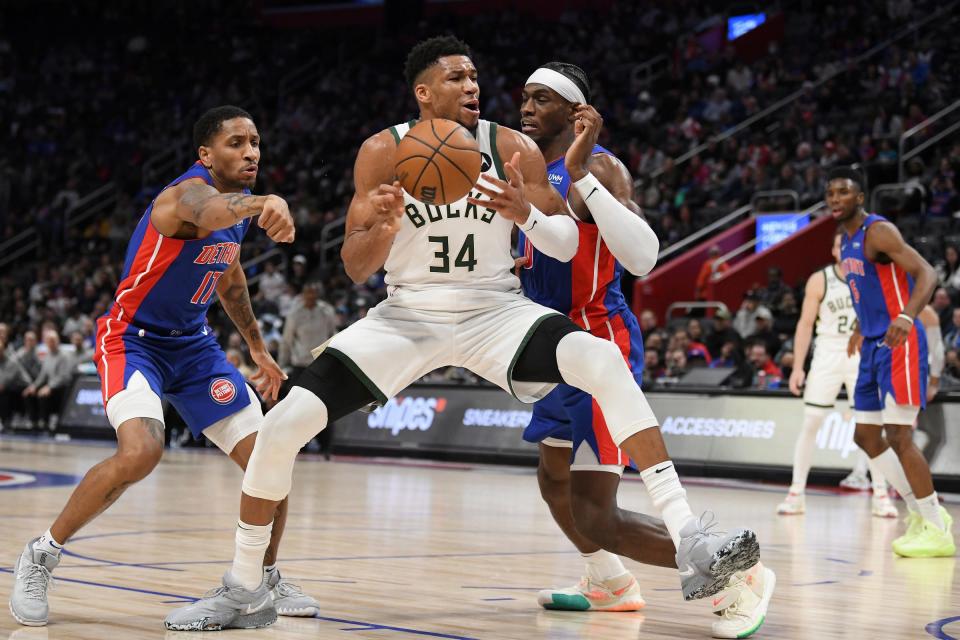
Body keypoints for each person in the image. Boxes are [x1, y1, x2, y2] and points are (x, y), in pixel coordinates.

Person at [165, 38, 764, 633]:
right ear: (423, 92)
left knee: (601, 359)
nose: (472, 86)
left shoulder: (511, 147)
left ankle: (691, 536)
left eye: (474, 76)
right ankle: (244, 588)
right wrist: (383, 227)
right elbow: (354, 265)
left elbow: (564, 241)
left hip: (494, 310)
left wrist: (523, 213)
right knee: (284, 423)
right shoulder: (381, 150)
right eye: (455, 78)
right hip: (408, 315)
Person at [9, 106, 319, 627]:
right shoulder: (184, 196)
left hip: (193, 347)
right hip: (133, 341)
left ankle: (264, 577)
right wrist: (270, 201)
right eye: (237, 143)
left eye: (256, 144)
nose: (251, 153)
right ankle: (42, 552)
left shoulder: (233, 218)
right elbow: (211, 211)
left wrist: (259, 349)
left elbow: (230, 279)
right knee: (143, 450)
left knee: (271, 455)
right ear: (205, 155)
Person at [515, 63, 772, 635]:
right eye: (523, 98)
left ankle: (736, 579)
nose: (526, 108)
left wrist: (581, 175)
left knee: (597, 514)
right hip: (547, 345)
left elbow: (640, 256)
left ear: (577, 113)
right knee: (553, 475)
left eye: (541, 99)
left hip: (597, 340)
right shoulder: (523, 166)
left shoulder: (600, 168)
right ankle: (608, 582)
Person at [832, 166, 955, 558]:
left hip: (900, 341)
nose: (835, 199)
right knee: (866, 436)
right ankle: (922, 512)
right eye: (830, 193)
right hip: (871, 342)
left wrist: (905, 317)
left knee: (900, 436)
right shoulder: (844, 239)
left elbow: (927, 273)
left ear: (860, 197)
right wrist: (858, 324)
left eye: (843, 192)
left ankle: (935, 526)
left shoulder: (878, 231)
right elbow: (866, 289)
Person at [778, 232, 897, 518]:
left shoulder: (870, 277)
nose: (844, 250)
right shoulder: (821, 279)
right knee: (812, 421)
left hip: (861, 354)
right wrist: (797, 367)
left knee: (870, 425)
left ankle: (880, 494)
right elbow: (805, 324)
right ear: (833, 251)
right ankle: (796, 493)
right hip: (828, 353)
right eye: (838, 245)